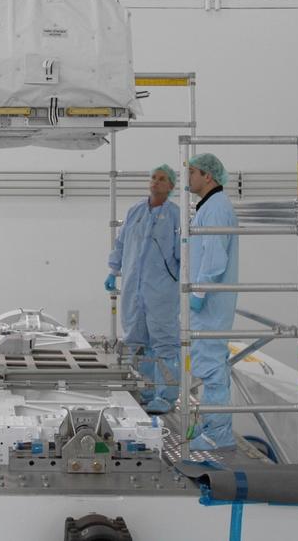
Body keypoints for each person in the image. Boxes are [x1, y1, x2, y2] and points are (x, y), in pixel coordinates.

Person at [105, 165, 182, 414]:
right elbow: (122, 243)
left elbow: (184, 256)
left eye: (162, 179)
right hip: (133, 289)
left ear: (171, 186)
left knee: (164, 344)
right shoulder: (135, 211)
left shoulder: (175, 216)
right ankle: (143, 391)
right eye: (153, 178)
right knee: (136, 343)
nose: (156, 182)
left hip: (161, 292)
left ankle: (166, 396)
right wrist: (113, 270)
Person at [185, 152, 239, 451]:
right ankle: (211, 429)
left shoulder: (217, 208)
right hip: (206, 301)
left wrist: (198, 293)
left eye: (192, 172)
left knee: (212, 368)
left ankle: (218, 436)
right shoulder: (208, 206)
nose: (188, 178)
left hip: (210, 302)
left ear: (208, 175)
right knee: (209, 365)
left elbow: (215, 258)